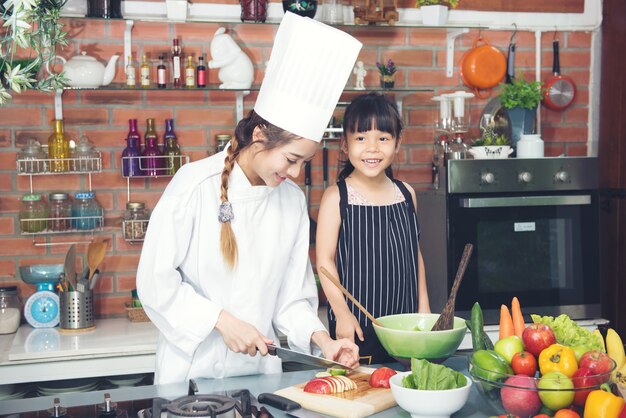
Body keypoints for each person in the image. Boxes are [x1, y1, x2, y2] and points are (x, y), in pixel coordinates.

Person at [136, 12, 363, 384]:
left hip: (261, 377)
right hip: (191, 377)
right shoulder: (193, 185)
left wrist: (324, 340)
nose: (295, 174)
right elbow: (154, 283)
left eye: (304, 163)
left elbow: (292, 298)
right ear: (259, 135)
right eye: (291, 160)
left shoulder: (289, 201)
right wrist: (220, 321)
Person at [315, 92, 431, 365]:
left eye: (383, 138)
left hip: (406, 325)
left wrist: (424, 310)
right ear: (344, 145)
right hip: (356, 327)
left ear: (397, 143)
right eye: (360, 138)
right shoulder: (337, 198)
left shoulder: (406, 194)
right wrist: (342, 314)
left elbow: (415, 255)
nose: (372, 148)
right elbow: (323, 262)